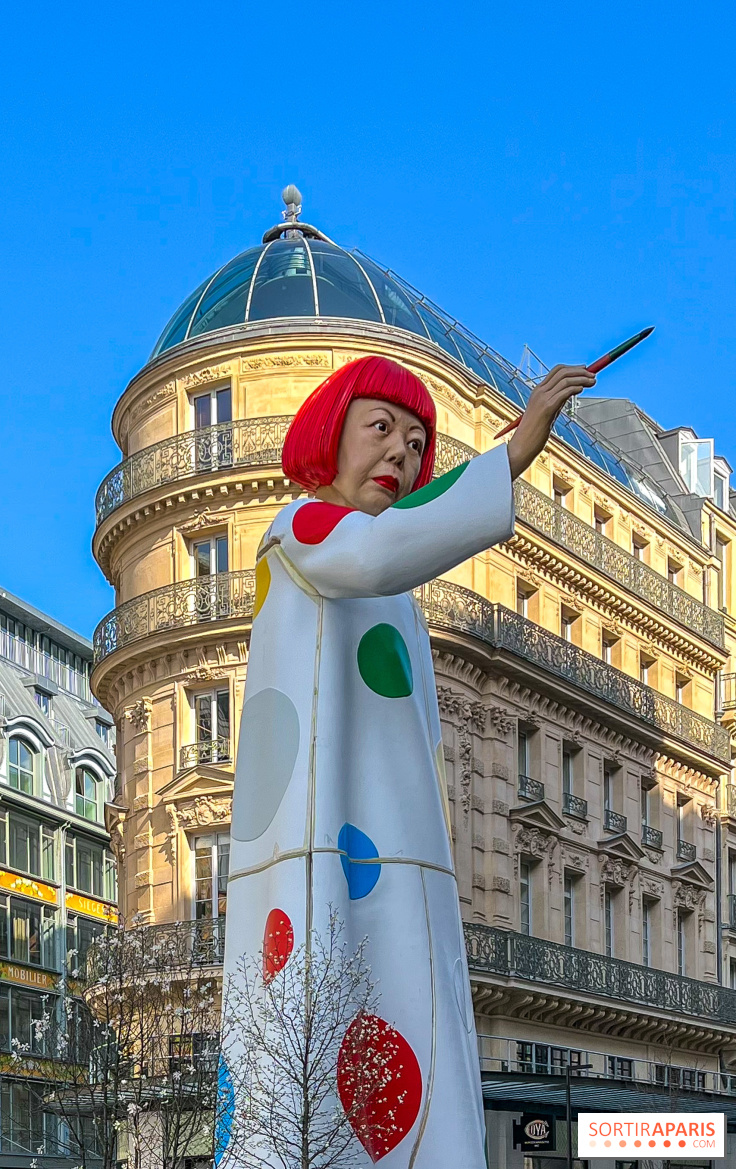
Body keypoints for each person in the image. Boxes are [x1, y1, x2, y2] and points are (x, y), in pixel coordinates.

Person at [221, 354, 595, 1167]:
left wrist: (491, 463)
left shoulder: (389, 582)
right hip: (326, 839)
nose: (402, 451)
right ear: (331, 434)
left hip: (393, 847)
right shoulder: (305, 526)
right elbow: (379, 548)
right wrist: (512, 453)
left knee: (406, 1004)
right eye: (381, 427)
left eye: (417, 440)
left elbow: (400, 533)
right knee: (329, 1022)